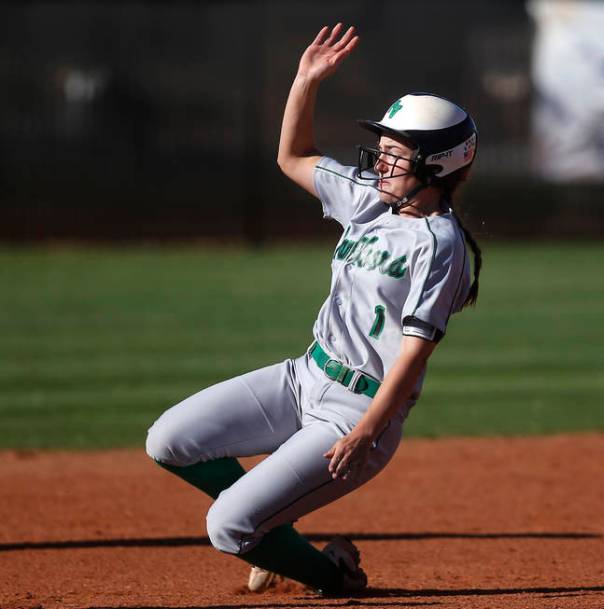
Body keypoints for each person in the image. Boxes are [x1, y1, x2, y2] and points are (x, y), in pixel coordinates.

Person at [144, 23, 482, 596]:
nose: (381, 161)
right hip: (304, 376)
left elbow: (413, 353)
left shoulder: (439, 245)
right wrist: (306, 82)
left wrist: (367, 432)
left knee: (227, 525)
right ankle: (278, 528)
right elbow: (293, 155)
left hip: (354, 413)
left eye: (396, 153)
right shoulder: (371, 201)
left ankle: (336, 577)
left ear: (437, 165)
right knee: (169, 441)